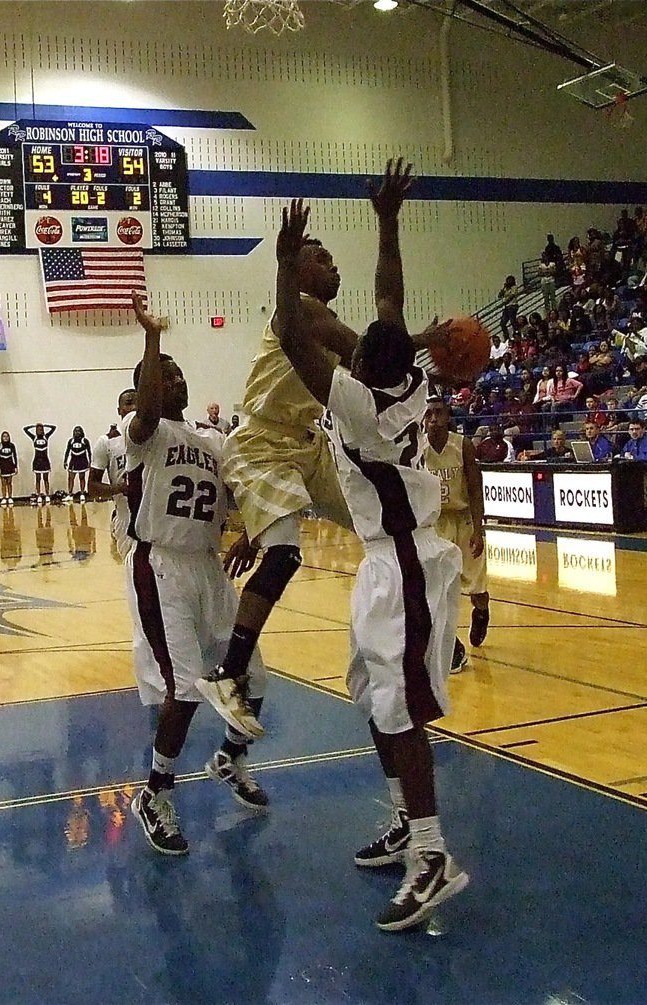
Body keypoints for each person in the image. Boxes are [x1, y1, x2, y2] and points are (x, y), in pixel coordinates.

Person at [199, 161, 449, 734]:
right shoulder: (306, 315)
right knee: (287, 556)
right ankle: (227, 673)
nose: (332, 264)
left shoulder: (326, 322)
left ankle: (427, 629)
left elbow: (379, 331)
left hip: (305, 445)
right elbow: (375, 341)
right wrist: (426, 340)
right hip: (262, 441)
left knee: (380, 529)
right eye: (320, 257)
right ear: (297, 270)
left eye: (333, 257)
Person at [275, 197, 468, 932]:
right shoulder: (406, 380)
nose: (344, 347)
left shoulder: (359, 405)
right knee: (370, 691)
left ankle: (432, 854)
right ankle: (404, 823)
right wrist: (387, 219)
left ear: (357, 367)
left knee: (401, 707)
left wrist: (283, 264)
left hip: (407, 561)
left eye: (351, 350)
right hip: (386, 559)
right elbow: (390, 302)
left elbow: (294, 337)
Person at [125, 292, 266, 858]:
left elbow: (250, 497)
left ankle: (229, 758)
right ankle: (155, 791)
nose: (174, 379)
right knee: (183, 687)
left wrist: (252, 533)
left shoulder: (215, 442)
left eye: (178, 371)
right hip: (162, 566)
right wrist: (153, 339)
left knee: (253, 680)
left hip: (208, 567)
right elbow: (150, 409)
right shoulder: (147, 434)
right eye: (163, 374)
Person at [424, 398, 491, 660]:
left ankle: (482, 612)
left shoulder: (461, 445)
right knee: (436, 589)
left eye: (438, 413)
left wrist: (478, 528)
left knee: (477, 589)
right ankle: (451, 645)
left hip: (463, 520)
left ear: (448, 416)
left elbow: (475, 488)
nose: (433, 418)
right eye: (428, 413)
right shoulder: (417, 447)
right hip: (435, 522)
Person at [89, 389, 139, 561]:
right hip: (126, 517)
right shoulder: (107, 442)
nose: (133, 408)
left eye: (137, 403)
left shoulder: (155, 439)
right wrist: (119, 488)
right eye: (128, 403)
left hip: (154, 517)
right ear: (119, 410)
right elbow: (92, 487)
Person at [24, 421, 56, 504]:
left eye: (41, 429)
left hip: (45, 461)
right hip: (37, 461)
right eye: (38, 429)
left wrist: (45, 425)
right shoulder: (34, 437)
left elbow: (54, 428)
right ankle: (38, 495)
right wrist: (33, 425)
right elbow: (25, 429)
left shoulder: (46, 437)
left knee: (46, 479)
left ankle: (47, 494)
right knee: (38, 479)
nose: (39, 431)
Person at [63, 425, 92, 502]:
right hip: (73, 461)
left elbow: (89, 452)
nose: (77, 432)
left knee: (82, 477)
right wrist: (65, 461)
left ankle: (82, 493)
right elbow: (67, 451)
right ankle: (70, 494)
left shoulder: (85, 441)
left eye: (78, 431)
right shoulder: (71, 441)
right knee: (70, 478)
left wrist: (90, 462)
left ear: (81, 432)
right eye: (75, 431)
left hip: (82, 461)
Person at [0, 431, 18, 506]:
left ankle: (10, 497)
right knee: (3, 483)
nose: (5, 438)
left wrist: (15, 466)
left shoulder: (12, 445)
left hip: (10, 465)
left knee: (9, 482)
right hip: (2, 466)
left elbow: (15, 456)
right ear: (2, 437)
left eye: (7, 436)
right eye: (4, 436)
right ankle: (4, 497)